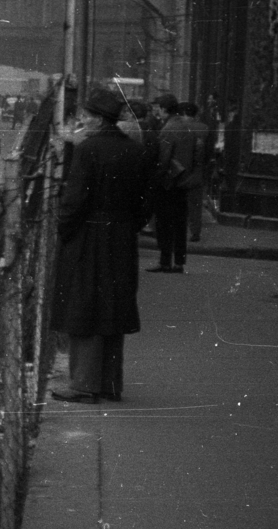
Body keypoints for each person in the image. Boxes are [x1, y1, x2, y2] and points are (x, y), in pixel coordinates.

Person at [50, 87, 151, 403]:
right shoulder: (135, 150)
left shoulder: (88, 150)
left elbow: (74, 200)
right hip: (122, 238)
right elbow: (145, 203)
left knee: (85, 308)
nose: (81, 121)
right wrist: (127, 227)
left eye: (85, 116)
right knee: (113, 308)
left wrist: (64, 231)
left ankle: (83, 385)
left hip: (89, 237)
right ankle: (109, 384)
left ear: (98, 119)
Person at [151, 101, 204, 273]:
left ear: (165, 109)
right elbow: (197, 154)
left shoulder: (168, 129)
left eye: (159, 108)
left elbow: (164, 158)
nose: (157, 112)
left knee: (164, 223)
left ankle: (165, 261)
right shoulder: (189, 128)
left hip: (168, 182)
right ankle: (179, 262)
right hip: (184, 180)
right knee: (180, 223)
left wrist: (157, 177)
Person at [181, 102, 211, 241]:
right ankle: (195, 232)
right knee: (195, 204)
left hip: (180, 169)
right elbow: (209, 152)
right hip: (198, 170)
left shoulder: (180, 127)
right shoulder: (204, 128)